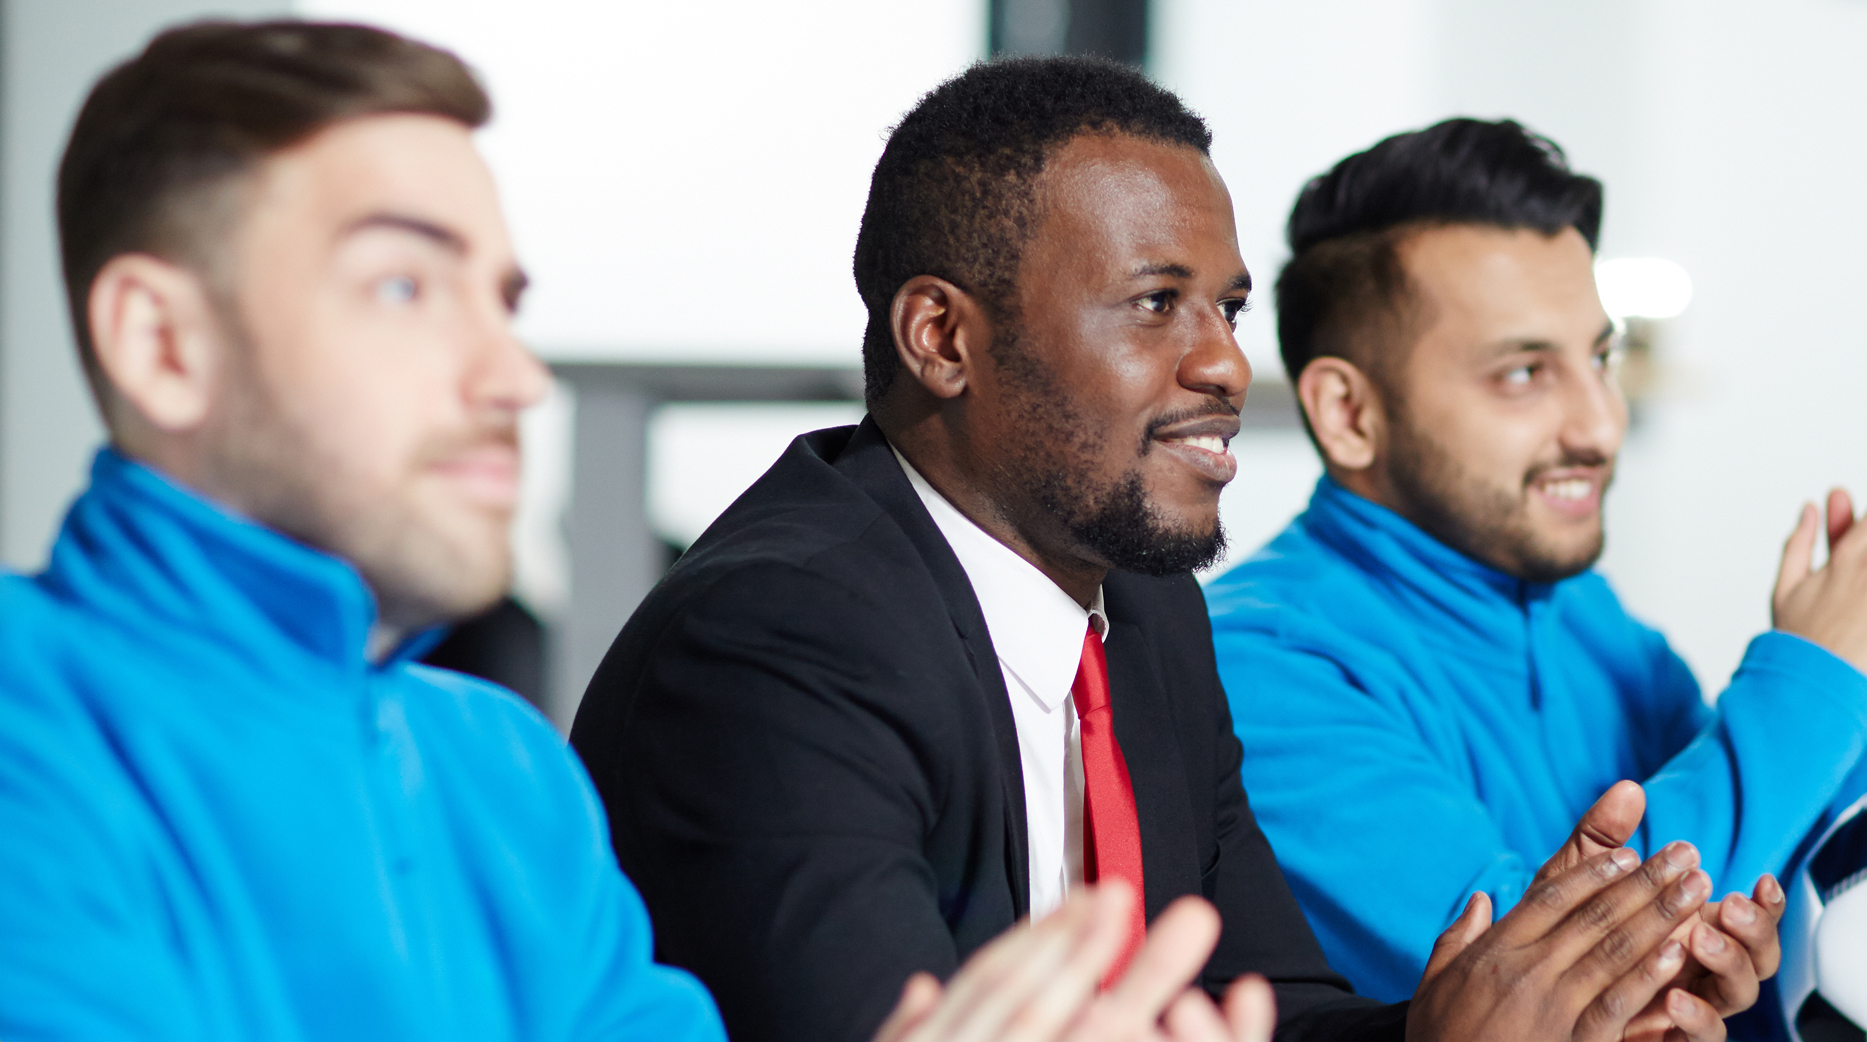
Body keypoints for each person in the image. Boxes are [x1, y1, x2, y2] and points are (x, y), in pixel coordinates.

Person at [0, 21, 1268, 1042]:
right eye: (402, 285)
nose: (511, 374)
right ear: (163, 345)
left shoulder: (501, 772)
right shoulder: (28, 736)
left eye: (500, 301)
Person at [570, 57, 1780, 1042]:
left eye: (1228, 309)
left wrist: (1515, 1008)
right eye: (1157, 304)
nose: (1222, 365)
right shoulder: (780, 646)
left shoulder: (1145, 614)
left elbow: (1276, 1009)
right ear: (943, 337)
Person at [1202, 119, 1867, 1037]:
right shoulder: (1259, 671)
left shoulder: (1583, 616)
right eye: (1523, 372)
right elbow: (1535, 987)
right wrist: (1822, 671)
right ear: (1348, 413)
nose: (1600, 422)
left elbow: (1842, 909)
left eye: (1600, 358)